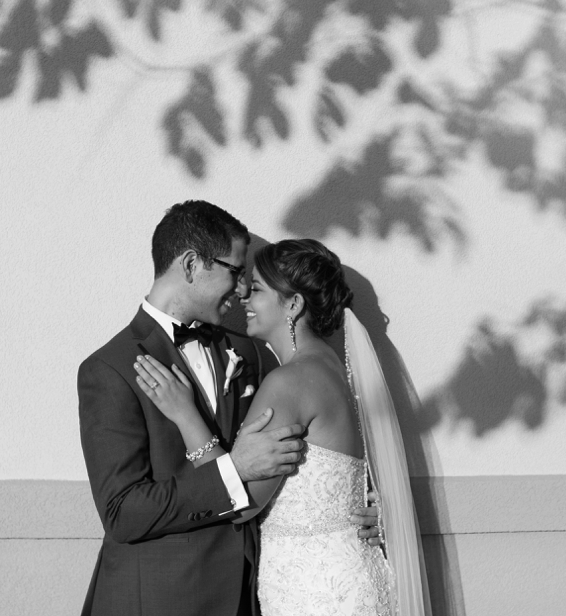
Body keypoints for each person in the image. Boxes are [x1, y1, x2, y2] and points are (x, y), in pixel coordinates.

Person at [78, 203, 380, 616]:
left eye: (249, 281)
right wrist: (233, 472)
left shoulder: (253, 353)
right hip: (159, 599)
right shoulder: (110, 369)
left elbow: (319, 444)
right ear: (190, 264)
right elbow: (122, 514)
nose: (241, 291)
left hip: (255, 594)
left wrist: (369, 511)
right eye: (235, 273)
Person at [134, 239, 431, 616]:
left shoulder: (289, 382)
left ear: (293, 304)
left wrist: (185, 415)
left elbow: (240, 505)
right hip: (355, 577)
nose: (244, 297)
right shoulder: (340, 371)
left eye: (256, 289)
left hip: (315, 592)